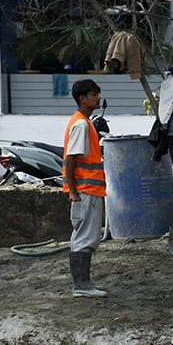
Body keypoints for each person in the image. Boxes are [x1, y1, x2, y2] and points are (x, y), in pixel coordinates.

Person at [64, 79, 107, 298]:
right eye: (94, 94)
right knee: (85, 238)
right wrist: (73, 192)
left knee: (85, 236)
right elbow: (70, 159)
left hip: (88, 190)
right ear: (83, 98)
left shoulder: (83, 123)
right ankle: (81, 285)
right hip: (86, 190)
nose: (98, 97)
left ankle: (83, 284)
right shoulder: (81, 124)